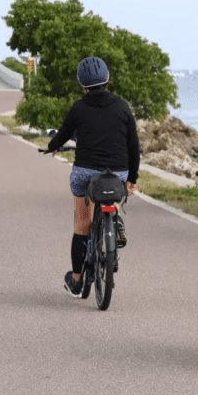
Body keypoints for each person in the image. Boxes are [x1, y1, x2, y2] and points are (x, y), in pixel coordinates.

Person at [39, 57, 139, 297]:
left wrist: (52, 146)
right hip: (117, 171)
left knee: (82, 225)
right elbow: (133, 145)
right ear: (107, 79)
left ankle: (76, 280)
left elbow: (63, 134)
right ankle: (113, 217)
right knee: (113, 191)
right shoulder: (123, 106)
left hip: (85, 171)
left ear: (82, 83)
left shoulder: (78, 108)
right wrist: (132, 178)